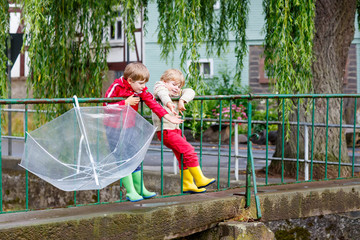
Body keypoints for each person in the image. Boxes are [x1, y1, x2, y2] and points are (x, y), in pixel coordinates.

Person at [104, 62, 183, 202]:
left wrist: (167, 115)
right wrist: (125, 103)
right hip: (114, 128)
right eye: (141, 83)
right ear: (130, 80)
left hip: (129, 127)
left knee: (135, 156)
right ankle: (130, 191)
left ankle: (140, 188)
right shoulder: (117, 86)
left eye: (144, 83)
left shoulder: (139, 89)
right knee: (122, 158)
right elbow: (106, 105)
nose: (143, 86)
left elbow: (152, 103)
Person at [152, 69, 215, 193]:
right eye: (173, 84)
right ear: (164, 81)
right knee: (189, 151)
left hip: (175, 130)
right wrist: (169, 103)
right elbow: (162, 93)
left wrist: (182, 100)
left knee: (182, 156)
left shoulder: (177, 93)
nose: (176, 88)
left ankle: (187, 184)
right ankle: (200, 179)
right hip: (165, 130)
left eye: (179, 86)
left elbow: (190, 91)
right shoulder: (159, 87)